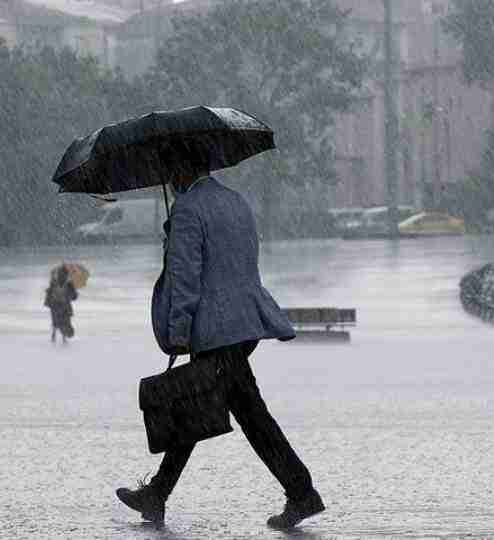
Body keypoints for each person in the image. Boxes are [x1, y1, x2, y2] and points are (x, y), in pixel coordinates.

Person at [115, 141, 324, 530]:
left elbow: (185, 280)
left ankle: (301, 491)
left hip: (215, 330)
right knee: (207, 406)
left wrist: (178, 333)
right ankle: (158, 493)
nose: (168, 180)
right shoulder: (235, 201)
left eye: (168, 171)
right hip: (243, 324)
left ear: (179, 171)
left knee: (234, 412)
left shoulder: (189, 210)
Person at [44, 264, 78, 343]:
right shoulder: (69, 283)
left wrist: (48, 303)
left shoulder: (54, 282)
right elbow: (74, 296)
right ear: (67, 274)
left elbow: (49, 293)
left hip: (55, 306)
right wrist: (74, 294)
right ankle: (64, 338)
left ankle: (54, 335)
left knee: (56, 321)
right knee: (65, 321)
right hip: (65, 306)